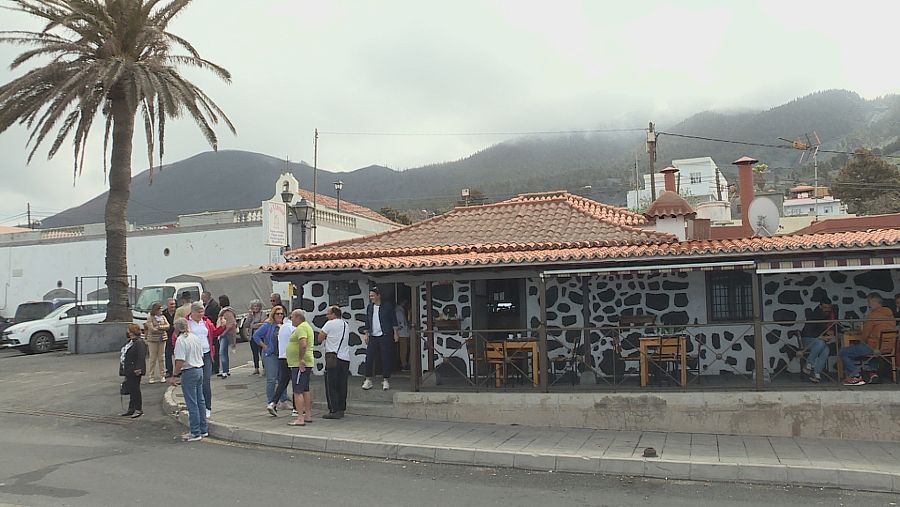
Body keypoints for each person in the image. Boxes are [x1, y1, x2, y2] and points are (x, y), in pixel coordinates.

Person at [840, 293, 896, 386]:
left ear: (874, 302)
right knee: (870, 352)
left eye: (869, 302)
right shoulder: (889, 313)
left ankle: (856, 376)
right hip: (888, 347)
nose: (868, 305)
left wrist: (860, 341)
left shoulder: (873, 315)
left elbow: (865, 333)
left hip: (874, 348)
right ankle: (873, 374)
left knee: (843, 352)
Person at [170, 318, 208, 442]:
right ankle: (203, 429)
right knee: (200, 401)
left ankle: (195, 432)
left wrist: (175, 375)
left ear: (177, 328)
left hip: (189, 371)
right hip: (199, 369)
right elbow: (201, 354)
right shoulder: (195, 337)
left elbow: (180, 360)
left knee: (192, 403)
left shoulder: (181, 341)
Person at [184, 301, 225, 417]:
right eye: (198, 312)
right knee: (194, 382)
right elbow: (176, 337)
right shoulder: (186, 322)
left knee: (205, 381)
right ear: (192, 312)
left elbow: (214, 333)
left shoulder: (206, 322)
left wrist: (222, 327)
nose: (201, 314)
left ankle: (207, 407)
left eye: (202, 311)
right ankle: (194, 406)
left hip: (206, 354)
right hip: (192, 355)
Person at [253, 305, 289, 415]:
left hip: (282, 355)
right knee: (271, 379)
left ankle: (283, 400)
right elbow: (256, 336)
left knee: (282, 378)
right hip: (271, 355)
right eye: (277, 313)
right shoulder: (268, 325)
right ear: (273, 314)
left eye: (282, 313)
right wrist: (264, 346)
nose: (280, 315)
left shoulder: (285, 326)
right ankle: (271, 402)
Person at [362, 287, 399, 391]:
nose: (371, 298)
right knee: (369, 357)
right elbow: (367, 321)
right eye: (370, 296)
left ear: (378, 296)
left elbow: (393, 320)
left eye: (373, 295)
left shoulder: (387, 306)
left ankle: (386, 380)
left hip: (385, 334)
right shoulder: (370, 307)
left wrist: (395, 333)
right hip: (373, 336)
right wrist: (366, 334)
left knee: (386, 357)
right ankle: (368, 379)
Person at [319, 305, 351, 419]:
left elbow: (320, 337)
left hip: (333, 357)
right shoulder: (345, 324)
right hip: (345, 357)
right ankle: (342, 408)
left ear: (334, 314)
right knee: (342, 384)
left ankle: (334, 409)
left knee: (331, 384)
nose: (327, 316)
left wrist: (328, 337)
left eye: (328, 313)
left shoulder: (330, 324)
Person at [799, 294, 839, 383]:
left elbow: (832, 327)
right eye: (825, 307)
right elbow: (809, 331)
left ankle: (816, 374)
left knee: (826, 350)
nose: (827, 309)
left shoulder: (831, 315)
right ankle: (808, 364)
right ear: (820, 306)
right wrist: (821, 336)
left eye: (829, 307)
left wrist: (831, 332)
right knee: (820, 343)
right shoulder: (814, 315)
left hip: (819, 341)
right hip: (807, 340)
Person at [286, 309, 315, 426]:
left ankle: (300, 418)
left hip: (299, 365)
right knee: (305, 389)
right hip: (305, 362)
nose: (290, 318)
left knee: (297, 391)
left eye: (292, 316)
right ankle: (307, 415)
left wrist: (300, 359)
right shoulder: (306, 326)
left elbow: (303, 344)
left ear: (298, 317)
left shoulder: (301, 327)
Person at [269, 305, 296, 416]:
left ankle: (273, 403)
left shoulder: (282, 327)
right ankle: (296, 408)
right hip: (291, 358)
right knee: (296, 383)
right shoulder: (293, 328)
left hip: (282, 358)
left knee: (282, 382)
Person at [119, 324, 147, 418]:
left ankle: (138, 409)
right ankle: (131, 409)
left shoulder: (139, 342)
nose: (127, 332)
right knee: (131, 389)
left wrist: (139, 368)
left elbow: (141, 356)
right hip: (128, 369)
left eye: (129, 330)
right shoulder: (130, 342)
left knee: (135, 389)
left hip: (135, 369)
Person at [143, 302, 169, 384]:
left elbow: (168, 326)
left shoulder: (163, 317)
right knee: (152, 358)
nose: (161, 311)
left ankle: (162, 375)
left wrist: (159, 327)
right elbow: (151, 329)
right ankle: (151, 376)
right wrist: (161, 329)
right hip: (153, 340)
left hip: (162, 339)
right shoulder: (150, 317)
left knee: (162, 358)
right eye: (160, 309)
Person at [242, 299, 266, 375]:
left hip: (260, 336)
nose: (255, 308)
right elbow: (246, 324)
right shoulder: (251, 315)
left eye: (256, 306)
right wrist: (250, 316)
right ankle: (256, 368)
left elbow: (263, 323)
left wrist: (254, 325)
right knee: (254, 352)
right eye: (253, 306)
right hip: (252, 336)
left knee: (261, 352)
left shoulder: (263, 314)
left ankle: (265, 368)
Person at [216, 295, 238, 378]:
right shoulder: (225, 311)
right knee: (224, 352)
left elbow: (231, 324)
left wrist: (223, 333)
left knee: (222, 352)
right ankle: (225, 370)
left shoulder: (227, 312)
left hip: (225, 335)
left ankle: (225, 371)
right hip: (224, 334)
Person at [202, 291, 221, 374]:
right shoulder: (204, 305)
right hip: (207, 330)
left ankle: (215, 367)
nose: (202, 298)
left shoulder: (214, 305)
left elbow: (215, 317)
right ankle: (211, 367)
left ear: (207, 297)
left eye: (203, 297)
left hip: (212, 328)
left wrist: (205, 318)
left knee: (215, 349)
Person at [162, 297, 177, 378]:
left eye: (174, 304)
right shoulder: (164, 314)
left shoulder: (177, 312)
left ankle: (178, 370)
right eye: (171, 304)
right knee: (167, 354)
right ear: (167, 305)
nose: (173, 306)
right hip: (167, 336)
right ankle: (169, 370)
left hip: (176, 336)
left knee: (177, 354)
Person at [395, 299, 411, 371]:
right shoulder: (399, 311)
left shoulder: (401, 311)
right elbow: (400, 323)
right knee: (403, 350)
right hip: (402, 333)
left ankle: (406, 363)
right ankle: (404, 364)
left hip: (404, 332)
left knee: (405, 349)